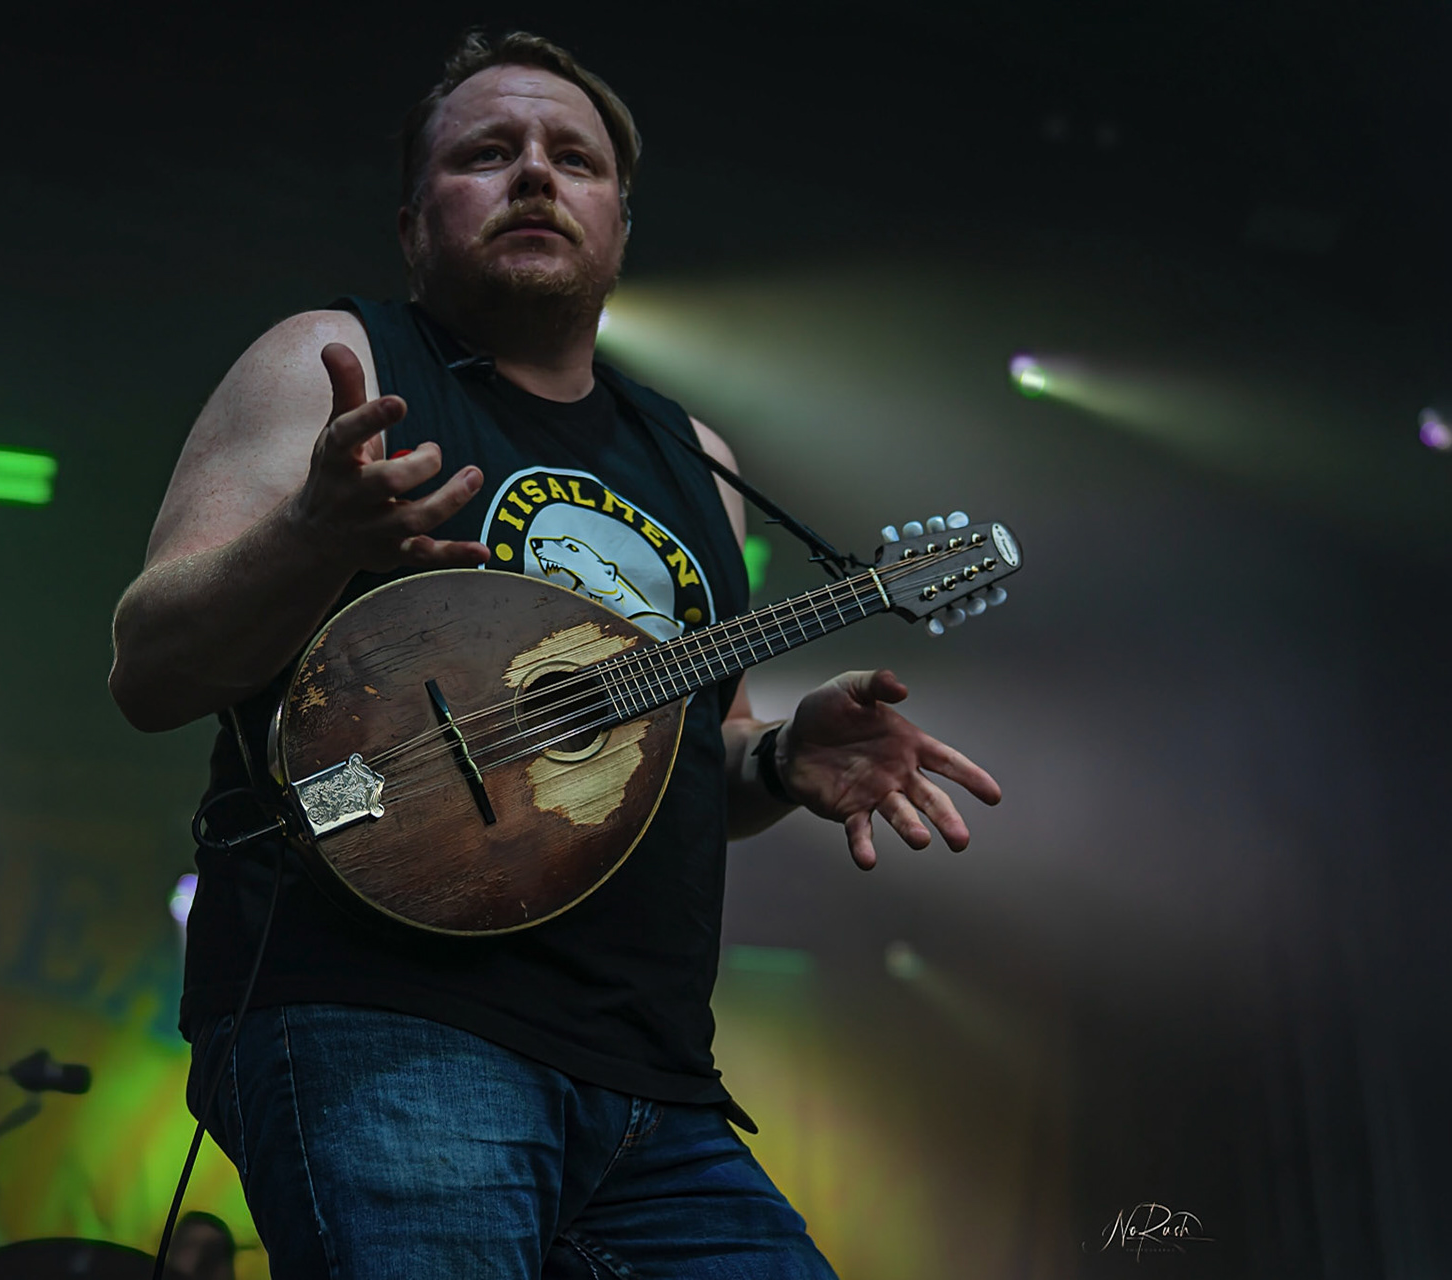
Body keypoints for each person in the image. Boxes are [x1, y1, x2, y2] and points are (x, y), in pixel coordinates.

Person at [108, 29, 1002, 1279]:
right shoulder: (333, 359)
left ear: (620, 225)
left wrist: (787, 757)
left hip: (657, 1073)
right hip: (382, 1018)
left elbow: (675, 757)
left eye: (571, 157)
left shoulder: (698, 457)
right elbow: (148, 666)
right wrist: (311, 533)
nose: (535, 172)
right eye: (489, 151)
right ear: (416, 219)